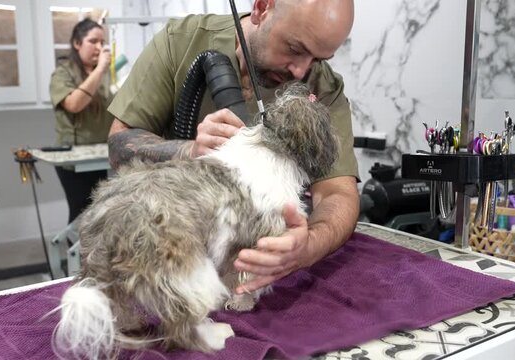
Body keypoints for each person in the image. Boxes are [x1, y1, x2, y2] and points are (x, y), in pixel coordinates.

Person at [107, 0, 359, 294]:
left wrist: (309, 246)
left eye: (318, 59)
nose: (302, 71)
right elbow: (118, 144)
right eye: (295, 48)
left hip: (249, 273)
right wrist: (188, 152)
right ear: (262, 8)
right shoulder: (180, 41)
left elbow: (338, 192)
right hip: (166, 257)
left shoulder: (324, 86)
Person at [50, 19, 114, 224]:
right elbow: (74, 104)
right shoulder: (63, 72)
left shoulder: (106, 75)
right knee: (81, 213)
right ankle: (76, 255)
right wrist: (100, 70)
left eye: (102, 41)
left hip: (101, 155)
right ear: (77, 43)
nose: (99, 47)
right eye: (92, 41)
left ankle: (91, 255)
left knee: (100, 213)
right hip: (74, 159)